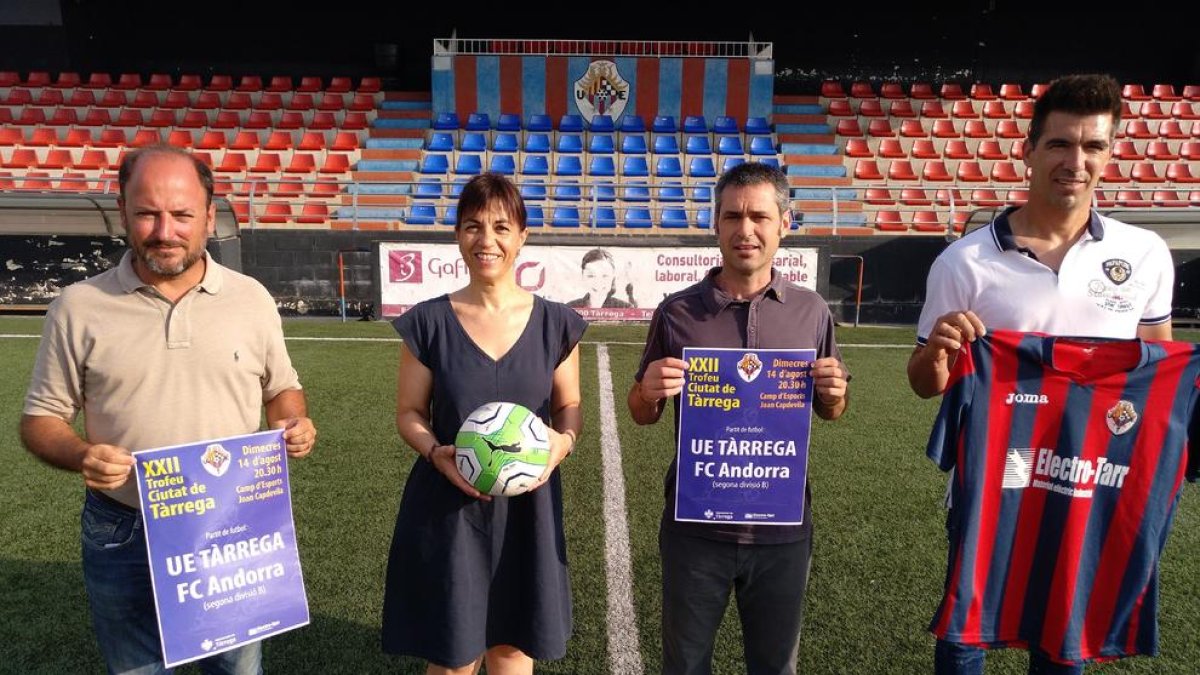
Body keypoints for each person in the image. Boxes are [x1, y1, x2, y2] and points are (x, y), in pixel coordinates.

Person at [907, 74, 1174, 674]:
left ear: (1109, 154)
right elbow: (925, 383)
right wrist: (940, 351)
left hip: (1088, 480)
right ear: (1027, 150)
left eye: (1093, 146)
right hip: (990, 482)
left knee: (1065, 641)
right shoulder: (965, 261)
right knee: (965, 636)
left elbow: (1155, 377)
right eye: (1060, 144)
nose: (1075, 162)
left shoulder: (1145, 254)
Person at [19, 144, 316, 675]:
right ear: (123, 211)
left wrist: (292, 421)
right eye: (148, 213)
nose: (164, 230)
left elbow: (282, 389)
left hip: (232, 527)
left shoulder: (251, 299)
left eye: (181, 214)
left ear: (208, 215)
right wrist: (83, 455)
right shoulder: (78, 307)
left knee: (237, 669)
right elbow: (40, 421)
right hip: (123, 527)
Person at [627, 161, 850, 675]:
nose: (745, 230)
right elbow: (642, 414)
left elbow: (832, 410)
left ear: (785, 224)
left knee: (774, 667)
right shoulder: (677, 310)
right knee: (684, 666)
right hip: (695, 529)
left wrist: (835, 391)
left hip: (783, 532)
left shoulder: (812, 311)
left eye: (759, 217)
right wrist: (647, 389)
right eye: (732, 216)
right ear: (716, 224)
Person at [382, 172, 585, 675]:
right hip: (449, 506)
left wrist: (563, 444)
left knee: (513, 649)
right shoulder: (428, 321)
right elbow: (409, 413)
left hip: (528, 508)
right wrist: (436, 453)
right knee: (453, 655)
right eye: (473, 226)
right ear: (457, 235)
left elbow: (570, 406)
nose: (486, 240)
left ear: (522, 237)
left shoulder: (556, 322)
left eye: (500, 226)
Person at [567, 248, 632, 309]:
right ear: (583, 276)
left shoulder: (625, 308)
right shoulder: (570, 308)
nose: (598, 282)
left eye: (605, 275)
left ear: (613, 277)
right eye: (591, 276)